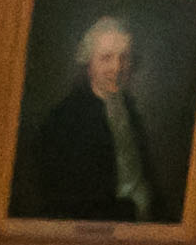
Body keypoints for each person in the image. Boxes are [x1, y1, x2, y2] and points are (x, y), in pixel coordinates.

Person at [16, 14, 171, 223]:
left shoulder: (130, 111)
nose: (117, 67)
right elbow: (67, 196)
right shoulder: (67, 118)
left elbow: (144, 179)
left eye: (124, 57)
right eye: (106, 58)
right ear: (88, 64)